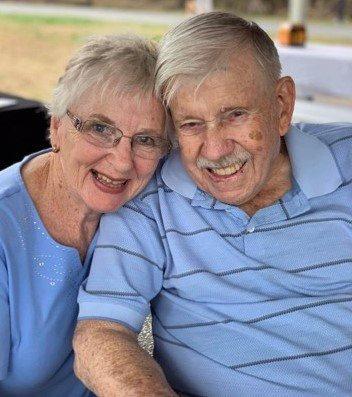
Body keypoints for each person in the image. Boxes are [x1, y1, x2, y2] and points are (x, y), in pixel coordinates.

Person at [74, 12, 352, 397]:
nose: (215, 149)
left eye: (234, 115)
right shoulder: (149, 198)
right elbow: (101, 332)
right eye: (191, 124)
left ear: (282, 105)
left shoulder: (347, 162)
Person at [0, 34, 168, 396]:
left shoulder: (147, 206)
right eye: (100, 128)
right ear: (56, 126)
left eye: (146, 139)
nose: (122, 161)